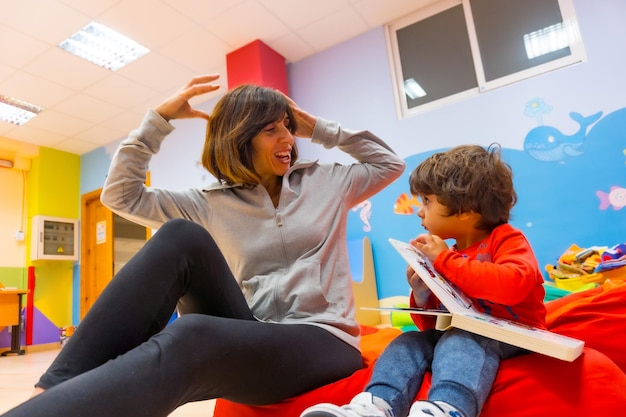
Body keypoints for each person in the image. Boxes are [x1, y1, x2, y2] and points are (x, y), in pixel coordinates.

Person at [1, 74, 405, 417]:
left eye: (288, 126)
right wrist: (157, 121)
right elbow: (121, 196)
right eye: (271, 130)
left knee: (192, 334)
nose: (287, 138)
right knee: (180, 235)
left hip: (325, 340)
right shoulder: (210, 203)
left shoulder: (326, 182)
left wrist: (315, 126)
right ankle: (52, 389)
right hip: (257, 334)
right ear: (240, 140)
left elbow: (390, 163)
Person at [301, 144, 547, 417]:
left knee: (463, 337)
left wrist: (444, 261)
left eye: (427, 201)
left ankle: (448, 408)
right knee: (408, 342)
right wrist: (422, 292)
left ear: (464, 209)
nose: (420, 211)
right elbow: (433, 324)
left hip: (514, 335)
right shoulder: (451, 255)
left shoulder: (505, 239)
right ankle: (375, 406)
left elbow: (512, 286)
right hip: (462, 332)